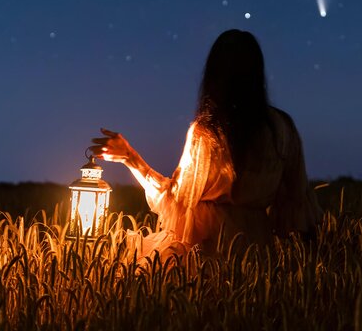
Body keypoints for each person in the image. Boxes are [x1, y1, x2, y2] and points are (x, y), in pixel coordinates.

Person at [89, 29, 322, 259]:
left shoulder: (208, 132)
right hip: (258, 254)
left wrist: (131, 158)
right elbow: (298, 202)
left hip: (208, 253)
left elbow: (177, 202)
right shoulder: (282, 127)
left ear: (214, 74)